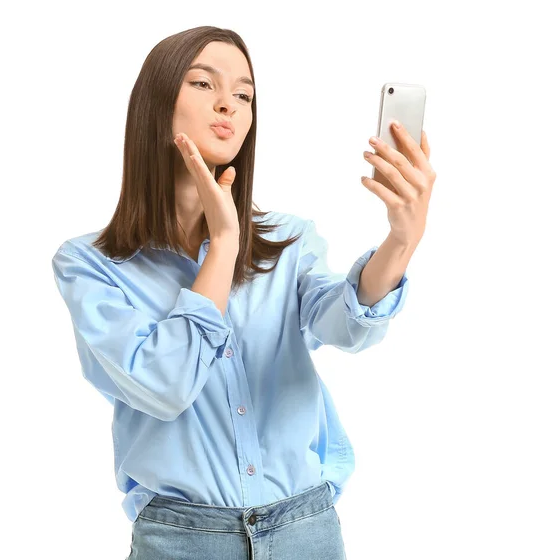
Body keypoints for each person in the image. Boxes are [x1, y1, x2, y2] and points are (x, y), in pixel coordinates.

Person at [51, 24, 434, 560]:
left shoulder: (289, 240)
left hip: (307, 529)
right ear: (157, 105)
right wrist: (223, 242)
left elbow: (347, 324)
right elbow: (165, 385)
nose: (228, 104)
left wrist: (400, 240)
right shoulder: (91, 265)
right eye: (204, 85)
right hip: (182, 541)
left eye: (244, 94)